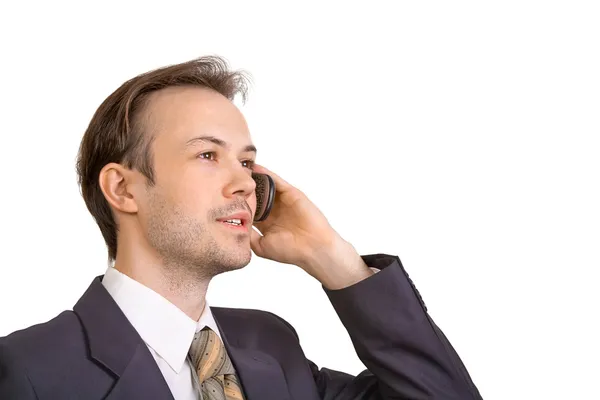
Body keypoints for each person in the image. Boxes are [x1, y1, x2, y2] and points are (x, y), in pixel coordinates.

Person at [0, 56, 483, 400]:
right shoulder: (28, 370)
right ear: (124, 190)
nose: (245, 183)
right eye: (208, 155)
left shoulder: (271, 346)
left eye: (247, 161)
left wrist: (336, 261)